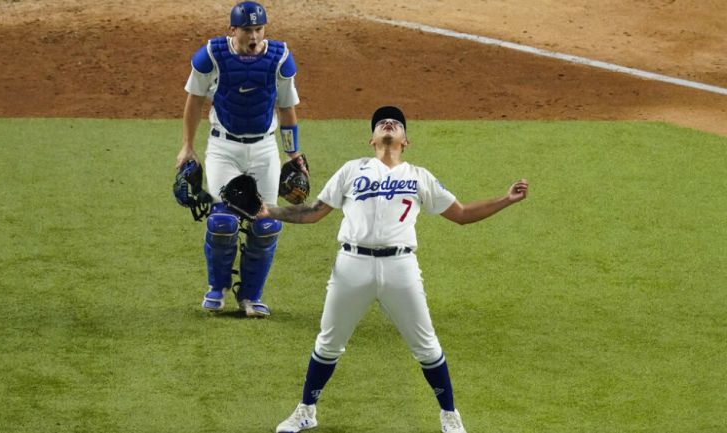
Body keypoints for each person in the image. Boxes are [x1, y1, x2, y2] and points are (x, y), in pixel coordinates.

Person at [261, 106, 529, 433]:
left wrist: (506, 199)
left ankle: (450, 415)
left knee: (426, 346)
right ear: (372, 139)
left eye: (396, 124)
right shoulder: (351, 170)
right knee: (328, 343)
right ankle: (306, 410)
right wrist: (269, 211)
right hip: (351, 265)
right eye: (382, 124)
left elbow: (461, 214)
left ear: (406, 141)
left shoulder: (419, 177)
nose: (389, 124)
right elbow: (314, 212)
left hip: (401, 266)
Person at [175, 1, 305, 317]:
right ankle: (216, 289)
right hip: (224, 149)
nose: (254, 36)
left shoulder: (279, 59)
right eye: (247, 30)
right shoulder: (212, 56)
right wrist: (187, 147)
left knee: (267, 223)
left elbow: (287, 108)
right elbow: (194, 102)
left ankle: (251, 296)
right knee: (222, 222)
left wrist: (293, 153)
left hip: (264, 149)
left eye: (259, 29)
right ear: (233, 30)